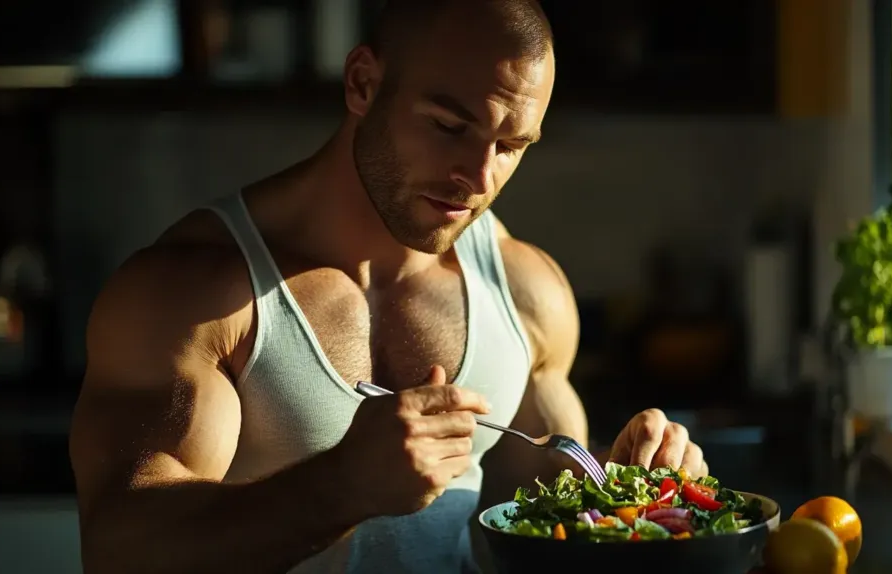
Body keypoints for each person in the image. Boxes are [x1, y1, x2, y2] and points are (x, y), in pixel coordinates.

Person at [68, 0, 708, 572]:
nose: (477, 179)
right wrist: (339, 488)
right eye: (450, 126)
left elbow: (545, 510)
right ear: (363, 83)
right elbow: (118, 550)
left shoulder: (524, 291)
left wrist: (633, 484)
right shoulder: (194, 294)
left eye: (511, 145)